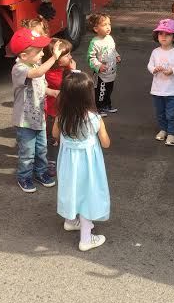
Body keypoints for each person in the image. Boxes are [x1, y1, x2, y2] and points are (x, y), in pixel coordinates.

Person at [53, 71, 111, 252]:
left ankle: (70, 220)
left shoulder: (61, 116)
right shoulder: (94, 118)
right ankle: (86, 239)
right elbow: (106, 143)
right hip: (88, 164)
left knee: (71, 189)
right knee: (87, 195)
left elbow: (55, 134)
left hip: (68, 162)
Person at [9, 27, 62, 193]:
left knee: (42, 149)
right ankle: (24, 176)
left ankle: (41, 172)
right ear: (24, 56)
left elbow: (41, 86)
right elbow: (37, 73)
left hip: (39, 117)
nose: (41, 54)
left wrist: (53, 92)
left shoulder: (35, 64)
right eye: (38, 52)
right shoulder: (20, 69)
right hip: (24, 121)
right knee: (27, 152)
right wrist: (54, 57)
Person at [148, 19, 174, 146]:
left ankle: (171, 133)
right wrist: (154, 69)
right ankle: (163, 130)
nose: (163, 37)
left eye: (167, 34)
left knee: (171, 114)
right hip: (157, 90)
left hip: (173, 90)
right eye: (160, 34)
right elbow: (149, 65)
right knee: (160, 113)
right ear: (157, 36)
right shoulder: (155, 52)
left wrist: (173, 71)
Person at [42, 38, 76, 177]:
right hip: (52, 111)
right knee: (53, 138)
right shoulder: (48, 72)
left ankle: (64, 159)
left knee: (66, 136)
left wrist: (72, 70)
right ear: (55, 58)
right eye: (67, 55)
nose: (71, 57)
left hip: (66, 110)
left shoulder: (67, 68)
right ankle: (51, 161)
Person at [87, 13, 121, 117]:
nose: (108, 27)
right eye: (104, 25)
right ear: (96, 29)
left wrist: (116, 55)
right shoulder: (95, 42)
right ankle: (98, 108)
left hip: (111, 72)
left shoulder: (110, 38)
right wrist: (98, 66)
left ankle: (107, 105)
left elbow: (112, 50)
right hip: (101, 75)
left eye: (109, 24)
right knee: (100, 92)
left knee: (109, 90)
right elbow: (90, 57)